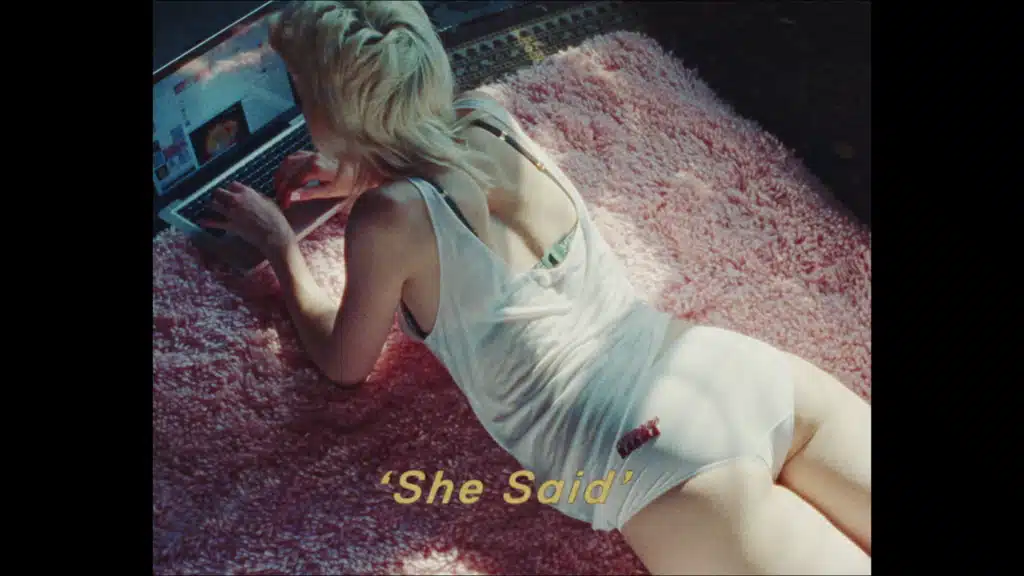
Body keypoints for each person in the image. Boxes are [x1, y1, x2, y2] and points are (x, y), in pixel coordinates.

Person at [203, 2, 871, 574]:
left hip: (651, 458)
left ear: (328, 111)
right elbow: (448, 184)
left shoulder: (384, 223)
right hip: (732, 372)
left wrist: (280, 246)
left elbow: (344, 364)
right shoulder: (488, 119)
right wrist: (364, 166)